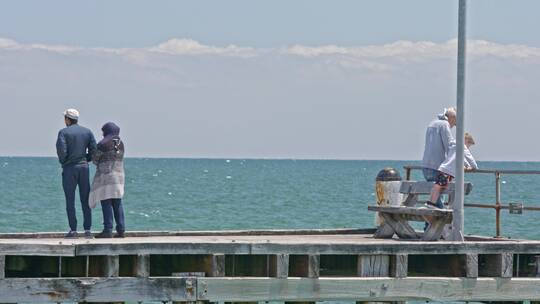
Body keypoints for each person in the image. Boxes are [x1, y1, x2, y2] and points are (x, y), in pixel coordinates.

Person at [56, 109, 97, 239]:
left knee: (70, 200)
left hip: (69, 168)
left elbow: (61, 151)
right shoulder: (87, 132)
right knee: (85, 199)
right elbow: (94, 150)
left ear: (68, 119)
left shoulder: (63, 132)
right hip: (84, 167)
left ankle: (73, 230)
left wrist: (65, 161)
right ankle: (87, 230)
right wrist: (86, 159)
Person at [89, 122, 126, 238]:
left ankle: (108, 230)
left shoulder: (103, 143)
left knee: (106, 202)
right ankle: (121, 230)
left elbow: (95, 159)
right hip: (119, 177)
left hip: (106, 176)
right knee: (117, 202)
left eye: (103, 131)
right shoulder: (121, 144)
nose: (102, 133)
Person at [429, 132, 479, 207]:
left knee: (438, 185)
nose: (468, 147)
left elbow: (462, 159)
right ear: (466, 141)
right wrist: (475, 167)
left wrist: (467, 166)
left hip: (444, 169)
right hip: (448, 171)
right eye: (469, 145)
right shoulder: (462, 147)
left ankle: (430, 202)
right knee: (438, 186)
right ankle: (432, 203)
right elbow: (469, 157)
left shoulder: (453, 146)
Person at [421, 107, 457, 209]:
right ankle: (437, 222)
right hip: (436, 167)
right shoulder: (444, 125)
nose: (453, 126)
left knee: (434, 199)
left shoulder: (432, 123)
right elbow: (449, 146)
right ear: (452, 118)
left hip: (425, 166)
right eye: (455, 123)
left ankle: (428, 225)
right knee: (438, 203)